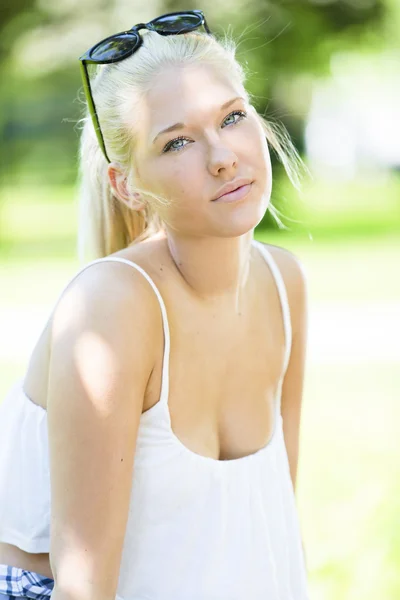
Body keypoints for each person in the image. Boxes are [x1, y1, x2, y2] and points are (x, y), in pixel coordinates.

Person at [0, 10, 310, 600]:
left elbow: (275, 531)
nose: (222, 156)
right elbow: (82, 588)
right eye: (178, 142)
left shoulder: (284, 283)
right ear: (127, 184)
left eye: (233, 117)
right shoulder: (110, 307)